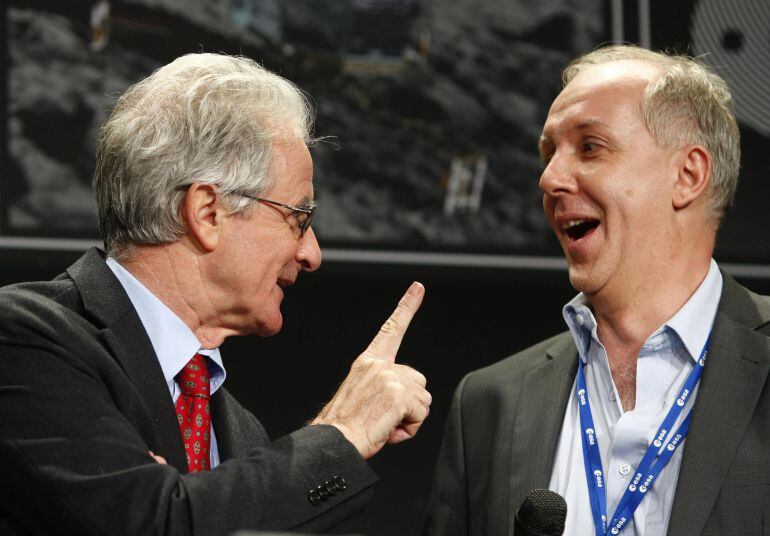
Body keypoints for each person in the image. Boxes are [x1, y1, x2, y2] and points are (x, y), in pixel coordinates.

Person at [0, 53, 431, 535]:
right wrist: (344, 431)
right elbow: (155, 525)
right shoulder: (25, 339)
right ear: (207, 212)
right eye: (299, 217)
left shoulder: (240, 434)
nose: (312, 253)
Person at [424, 45, 770, 536]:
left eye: (590, 147)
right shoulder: (490, 403)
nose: (550, 178)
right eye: (548, 154)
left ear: (687, 175)